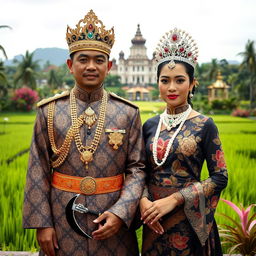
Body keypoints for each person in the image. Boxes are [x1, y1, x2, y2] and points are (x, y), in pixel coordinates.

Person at [23, 10, 145, 256]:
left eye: (99, 60)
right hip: (61, 217)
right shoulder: (49, 111)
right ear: (70, 65)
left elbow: (137, 169)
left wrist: (121, 212)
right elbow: (37, 168)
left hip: (112, 219)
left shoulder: (127, 112)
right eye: (83, 59)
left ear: (109, 66)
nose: (91, 66)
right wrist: (43, 224)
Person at [139, 28, 228, 255]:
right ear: (157, 82)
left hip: (189, 222)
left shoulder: (204, 124)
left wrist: (175, 200)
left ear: (191, 84)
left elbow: (220, 177)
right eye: (165, 80)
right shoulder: (150, 125)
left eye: (179, 80)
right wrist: (143, 202)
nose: (171, 87)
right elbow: (138, 170)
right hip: (153, 221)